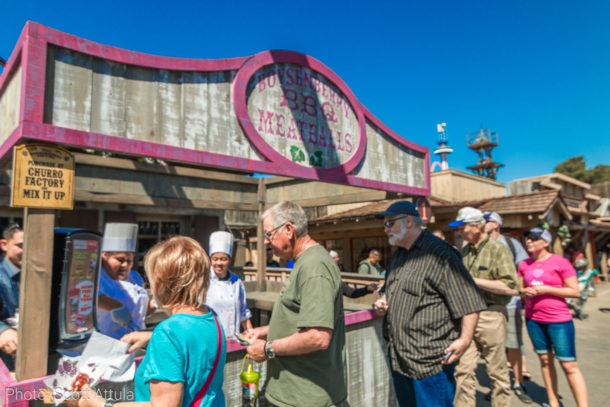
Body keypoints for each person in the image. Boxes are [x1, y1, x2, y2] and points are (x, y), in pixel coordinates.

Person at [69, 236, 226, 407]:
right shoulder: (211, 316)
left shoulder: (169, 332)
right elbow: (194, 343)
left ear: (160, 283)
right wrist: (151, 336)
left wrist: (99, 404)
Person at [373, 201, 486, 407]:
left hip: (430, 362)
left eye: (389, 223)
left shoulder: (440, 253)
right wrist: (384, 301)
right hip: (400, 358)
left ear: (408, 221)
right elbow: (392, 289)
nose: (385, 229)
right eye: (385, 224)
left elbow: (469, 300)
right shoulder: (399, 254)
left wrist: (465, 339)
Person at [245, 201, 347, 407]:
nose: (265, 242)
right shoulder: (306, 262)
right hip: (294, 394)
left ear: (289, 230)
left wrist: (267, 349)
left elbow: (317, 337)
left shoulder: (314, 266)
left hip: (306, 398)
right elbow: (301, 319)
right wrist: (266, 330)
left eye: (268, 234)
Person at [449, 207, 520, 407]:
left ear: (477, 226)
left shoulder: (498, 249)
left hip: (491, 313)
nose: (460, 232)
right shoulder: (464, 251)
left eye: (463, 228)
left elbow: (512, 287)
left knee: (497, 371)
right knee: (463, 369)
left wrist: (473, 280)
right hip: (466, 315)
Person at [520, 228, 588, 407]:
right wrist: (524, 292)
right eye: (527, 238)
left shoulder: (561, 262)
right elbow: (520, 291)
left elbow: (575, 292)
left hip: (559, 320)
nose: (529, 241)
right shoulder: (524, 264)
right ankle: (552, 401)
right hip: (533, 319)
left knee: (568, 365)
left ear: (546, 242)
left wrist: (547, 289)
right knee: (544, 360)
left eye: (534, 238)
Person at [483, 211, 533, 403]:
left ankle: (518, 383)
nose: (482, 224)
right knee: (493, 347)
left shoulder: (512, 244)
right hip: (488, 304)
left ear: (495, 224)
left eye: (485, 221)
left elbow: (524, 268)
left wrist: (522, 290)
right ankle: (497, 385)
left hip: (511, 304)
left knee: (514, 345)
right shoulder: (481, 244)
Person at [97, 223, 155, 340]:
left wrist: (156, 303)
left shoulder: (135, 277)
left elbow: (141, 312)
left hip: (134, 339)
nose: (125, 265)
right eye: (120, 260)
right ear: (104, 256)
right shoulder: (98, 277)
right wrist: (116, 307)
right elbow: (95, 298)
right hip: (106, 341)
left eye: (130, 261)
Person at [205, 231, 252, 337]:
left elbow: (243, 311)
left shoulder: (236, 282)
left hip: (232, 337)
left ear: (229, 260)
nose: (219, 263)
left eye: (223, 259)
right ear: (210, 260)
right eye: (215, 259)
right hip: (211, 338)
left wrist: (251, 334)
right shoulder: (204, 281)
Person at [0, 224, 23, 371]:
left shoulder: (42, 277)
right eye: (20, 246)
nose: (27, 251)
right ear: (4, 244)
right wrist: (2, 330)